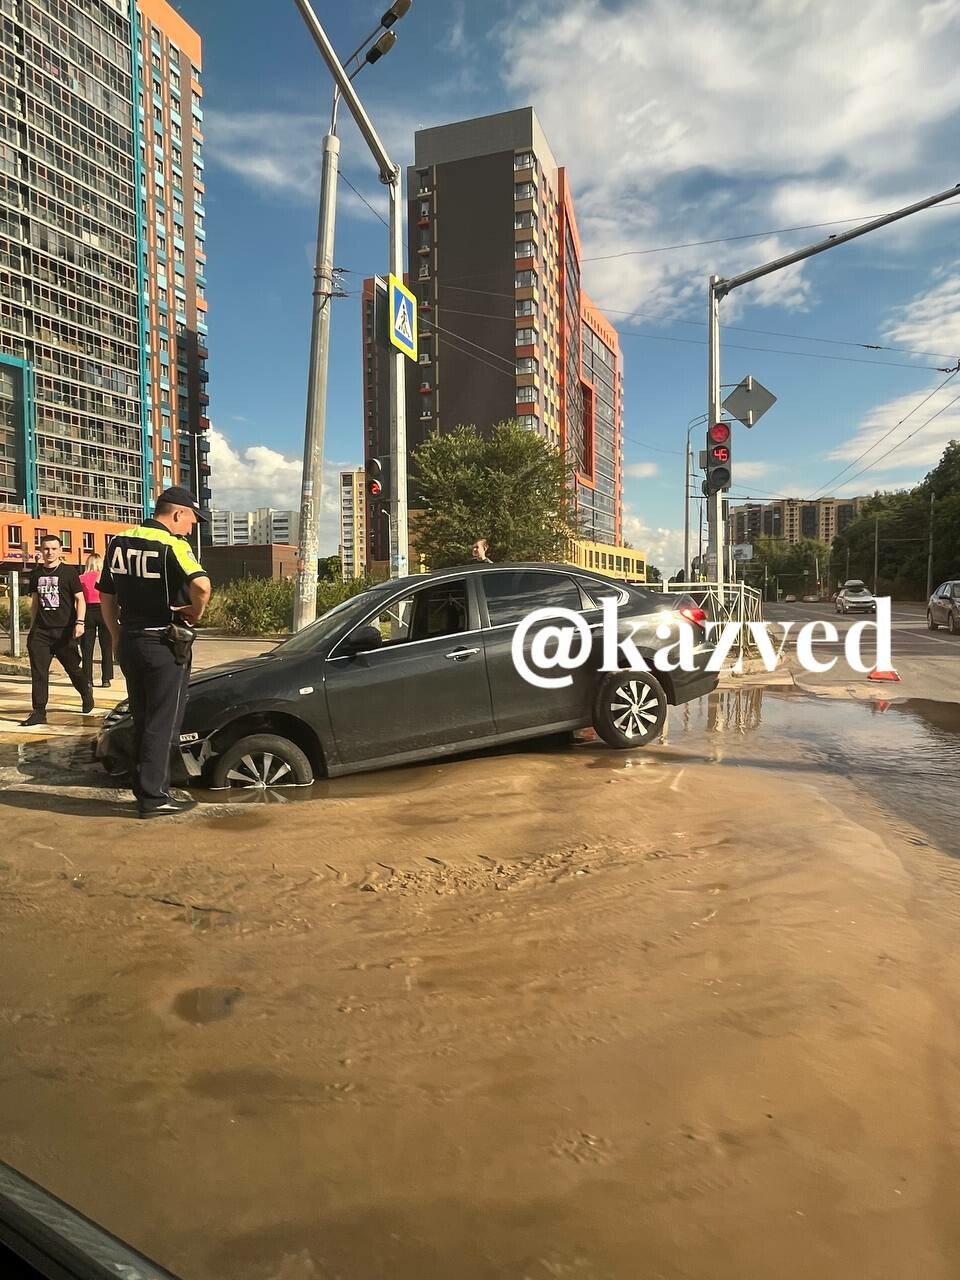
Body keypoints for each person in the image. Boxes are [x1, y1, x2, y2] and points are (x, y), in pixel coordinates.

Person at [99, 487, 212, 819]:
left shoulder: (118, 541)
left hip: (131, 640)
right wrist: (196, 611)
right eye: (191, 521)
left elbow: (106, 595)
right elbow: (202, 585)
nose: (191, 529)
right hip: (164, 643)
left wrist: (117, 635)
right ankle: (154, 798)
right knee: (163, 723)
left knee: (143, 717)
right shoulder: (173, 544)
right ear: (177, 514)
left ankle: (143, 786)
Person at [20, 535, 93, 727]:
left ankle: (86, 693)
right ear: (41, 551)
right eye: (46, 549)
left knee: (73, 669)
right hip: (41, 633)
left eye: (53, 549)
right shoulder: (36, 574)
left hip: (65, 632)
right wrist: (32, 627)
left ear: (60, 551)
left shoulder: (69, 573)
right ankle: (39, 711)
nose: (49, 552)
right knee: (39, 672)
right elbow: (35, 602)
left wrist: (80, 622)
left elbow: (80, 599)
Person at [79, 553, 114, 690]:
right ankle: (106, 679)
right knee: (106, 646)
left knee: (87, 648)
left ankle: (88, 679)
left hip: (88, 611)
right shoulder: (105, 578)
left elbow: (78, 599)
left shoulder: (81, 578)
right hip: (103, 609)